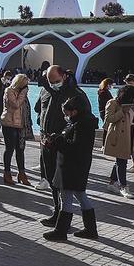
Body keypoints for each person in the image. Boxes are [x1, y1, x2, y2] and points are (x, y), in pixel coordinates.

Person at [36, 65, 91, 225]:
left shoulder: (76, 94)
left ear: (65, 77)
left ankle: (62, 218)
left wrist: (64, 137)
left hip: (64, 144)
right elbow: (40, 110)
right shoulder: (45, 90)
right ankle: (57, 212)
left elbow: (83, 120)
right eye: (50, 81)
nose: (53, 84)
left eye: (56, 81)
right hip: (47, 141)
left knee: (63, 184)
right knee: (52, 180)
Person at [44, 94, 99, 241]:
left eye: (67, 113)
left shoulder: (81, 125)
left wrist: (57, 141)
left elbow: (75, 147)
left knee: (66, 196)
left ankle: (61, 231)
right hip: (76, 165)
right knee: (80, 195)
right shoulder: (82, 122)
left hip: (72, 166)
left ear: (74, 111)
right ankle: (90, 229)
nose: (66, 116)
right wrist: (57, 140)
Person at [103, 86, 134, 199]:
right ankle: (123, 186)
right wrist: (122, 112)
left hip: (130, 135)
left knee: (120, 160)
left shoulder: (133, 105)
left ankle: (112, 182)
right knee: (122, 160)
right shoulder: (113, 102)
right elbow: (108, 118)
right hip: (119, 136)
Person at [0, 73, 31, 186]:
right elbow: (16, 104)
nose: (26, 87)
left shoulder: (22, 94)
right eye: (24, 84)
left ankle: (22, 173)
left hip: (20, 125)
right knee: (10, 149)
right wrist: (23, 93)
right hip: (9, 124)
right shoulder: (9, 91)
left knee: (20, 150)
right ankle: (7, 173)